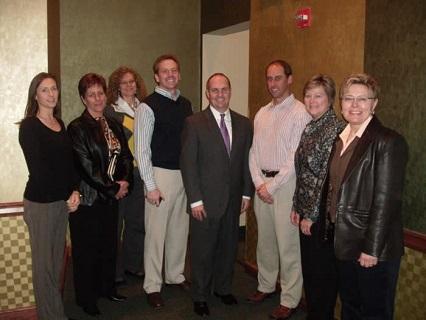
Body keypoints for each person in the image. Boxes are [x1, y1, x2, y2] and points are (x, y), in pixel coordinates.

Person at [328, 73, 408, 320]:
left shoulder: (388, 141)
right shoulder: (340, 140)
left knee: (375, 313)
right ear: (340, 103)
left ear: (374, 104)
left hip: (373, 249)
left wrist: (371, 250)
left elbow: (386, 201)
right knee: (351, 307)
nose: (354, 105)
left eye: (362, 99)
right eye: (349, 98)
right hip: (345, 242)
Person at [180, 73, 254, 317]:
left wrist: (246, 193)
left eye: (224, 89)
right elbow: (188, 164)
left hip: (233, 200)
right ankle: (200, 295)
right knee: (202, 251)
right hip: (205, 201)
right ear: (207, 94)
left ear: (230, 91)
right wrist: (195, 199)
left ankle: (223, 288)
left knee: (228, 247)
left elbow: (246, 161)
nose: (220, 94)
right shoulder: (194, 123)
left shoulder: (244, 124)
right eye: (215, 90)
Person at [247, 60, 311, 319]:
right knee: (266, 242)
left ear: (290, 79)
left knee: (288, 245)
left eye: (278, 78)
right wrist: (259, 184)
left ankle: (290, 298)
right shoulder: (262, 112)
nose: (273, 83)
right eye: (269, 78)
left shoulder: (300, 112)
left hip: (285, 187)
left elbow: (295, 158)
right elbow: (253, 152)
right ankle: (265, 285)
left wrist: (271, 187)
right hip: (262, 184)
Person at [67, 73, 133, 317]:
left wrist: (125, 182)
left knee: (108, 246)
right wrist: (113, 187)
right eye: (91, 95)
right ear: (84, 99)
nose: (97, 98)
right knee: (86, 251)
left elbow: (126, 156)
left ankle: (107, 289)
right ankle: (86, 298)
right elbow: (86, 168)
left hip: (110, 198)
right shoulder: (76, 127)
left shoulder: (113, 124)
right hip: (88, 199)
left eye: (101, 93)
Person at [19, 72, 80, 320]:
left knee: (56, 265)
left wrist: (74, 191)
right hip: (40, 203)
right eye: (45, 90)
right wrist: (66, 195)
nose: (51, 94)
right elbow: (40, 170)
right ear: (36, 94)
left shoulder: (60, 124)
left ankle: (54, 313)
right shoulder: (30, 126)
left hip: (60, 203)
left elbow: (68, 165)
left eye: (54, 88)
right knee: (44, 269)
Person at [134, 54, 193, 308]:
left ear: (179, 74)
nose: (170, 75)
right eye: (164, 71)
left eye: (174, 70)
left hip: (184, 175)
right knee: (156, 235)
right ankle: (152, 285)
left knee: (180, 229)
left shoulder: (186, 104)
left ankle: (175, 274)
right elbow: (141, 149)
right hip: (159, 175)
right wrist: (151, 185)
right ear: (156, 76)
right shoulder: (147, 106)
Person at [290, 74, 346, 320]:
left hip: (322, 217)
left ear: (330, 99)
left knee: (322, 275)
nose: (312, 100)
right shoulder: (312, 125)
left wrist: (311, 215)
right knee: (310, 272)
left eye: (318, 95)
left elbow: (326, 179)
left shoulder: (334, 129)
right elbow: (302, 172)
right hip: (307, 212)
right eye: (309, 95)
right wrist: (296, 205)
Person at [106, 66, 147, 283]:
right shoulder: (111, 110)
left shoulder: (145, 107)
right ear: (117, 87)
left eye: (132, 82)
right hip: (122, 175)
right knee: (116, 223)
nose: (130, 85)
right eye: (124, 83)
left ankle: (134, 264)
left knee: (137, 222)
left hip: (141, 173)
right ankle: (115, 271)